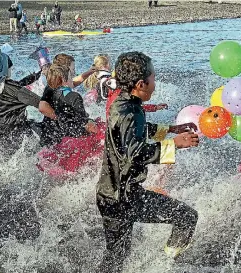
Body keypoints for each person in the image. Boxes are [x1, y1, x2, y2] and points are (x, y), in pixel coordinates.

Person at [96, 52, 199, 273]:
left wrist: (170, 129)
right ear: (141, 84)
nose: (155, 84)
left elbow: (137, 131)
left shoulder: (127, 102)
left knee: (116, 259)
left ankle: (164, 263)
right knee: (187, 216)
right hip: (122, 198)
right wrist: (175, 144)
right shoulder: (127, 111)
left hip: (113, 194)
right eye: (153, 79)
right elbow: (134, 153)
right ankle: (165, 264)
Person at [0, 42, 56, 156]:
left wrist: (35, 76)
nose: (11, 68)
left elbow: (16, 86)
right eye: (10, 66)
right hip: (15, 132)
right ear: (5, 69)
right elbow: (41, 105)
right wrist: (59, 116)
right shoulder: (15, 90)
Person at [39, 64, 97, 147]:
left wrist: (59, 119)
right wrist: (91, 122)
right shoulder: (74, 96)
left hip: (49, 136)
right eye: (70, 77)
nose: (72, 79)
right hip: (67, 140)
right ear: (63, 79)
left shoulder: (49, 90)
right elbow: (83, 122)